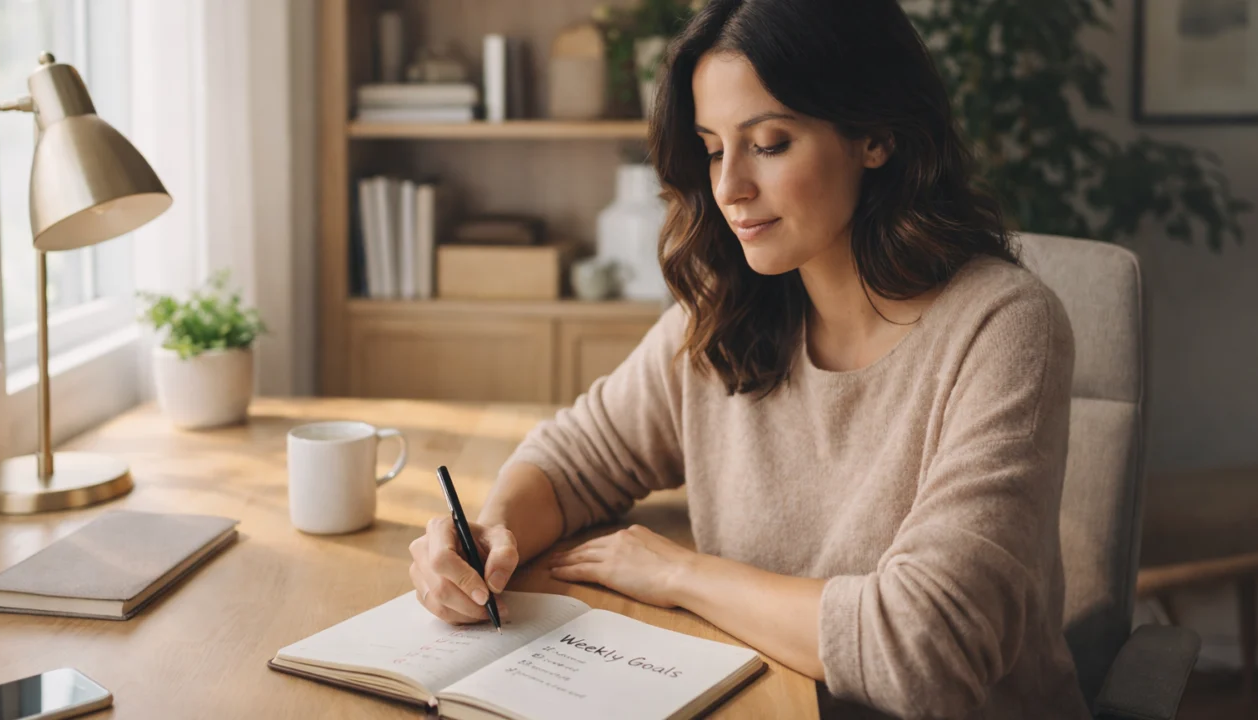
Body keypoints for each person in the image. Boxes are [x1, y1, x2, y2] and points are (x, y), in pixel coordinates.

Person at [408, 0, 1090, 717]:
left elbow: (927, 650)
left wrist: (680, 574)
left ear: (876, 137)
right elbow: (575, 458)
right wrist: (490, 538)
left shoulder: (1003, 327)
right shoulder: (727, 310)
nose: (729, 187)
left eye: (768, 143)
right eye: (712, 148)